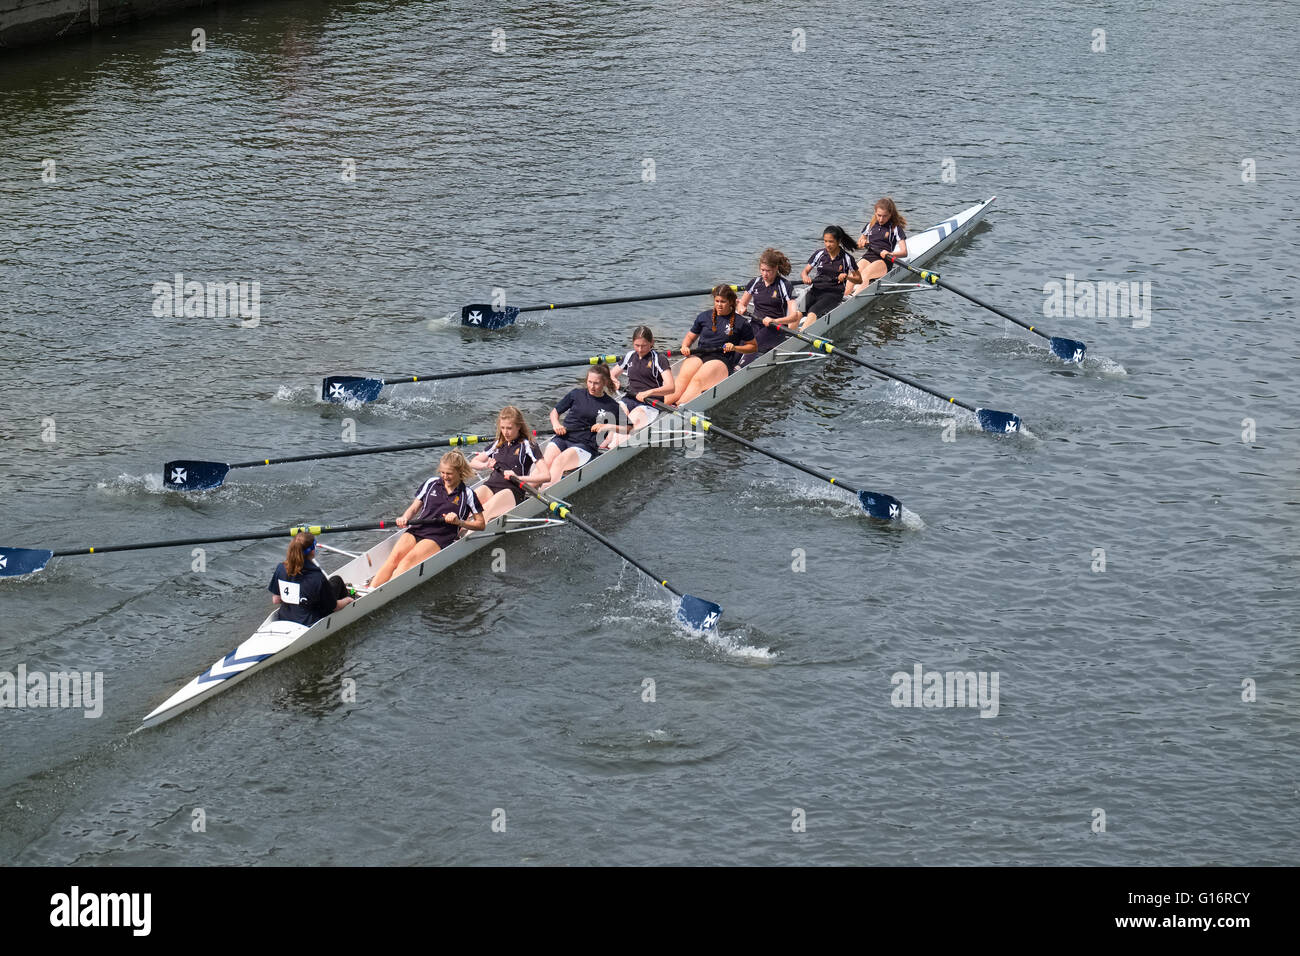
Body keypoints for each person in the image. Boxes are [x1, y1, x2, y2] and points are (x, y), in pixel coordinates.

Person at [368, 451, 486, 587]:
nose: (445, 477)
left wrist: (459, 522)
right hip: (419, 527)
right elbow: (413, 509)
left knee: (407, 561)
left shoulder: (468, 494)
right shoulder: (431, 483)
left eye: (449, 474)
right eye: (442, 472)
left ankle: (383, 592)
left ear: (460, 472)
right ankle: (370, 590)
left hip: (440, 536)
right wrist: (404, 517)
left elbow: (481, 524)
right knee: (394, 559)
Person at [665, 285, 757, 406]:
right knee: (682, 379)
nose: (719, 305)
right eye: (717, 301)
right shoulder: (704, 316)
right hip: (700, 353)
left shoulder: (741, 323)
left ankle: (678, 406)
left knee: (697, 381)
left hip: (721, 358)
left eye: (723, 302)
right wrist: (685, 346)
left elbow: (753, 347)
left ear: (731, 302)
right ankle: (662, 404)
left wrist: (735, 348)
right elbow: (690, 337)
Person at [541, 365, 630, 488]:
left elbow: (629, 428)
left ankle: (542, 495)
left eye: (596, 383)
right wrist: (556, 424)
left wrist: (607, 426)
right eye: (590, 382)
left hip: (586, 446)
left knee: (559, 462)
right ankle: (525, 493)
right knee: (545, 462)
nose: (592, 386)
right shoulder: (576, 394)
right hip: (564, 437)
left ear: (604, 383)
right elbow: (554, 412)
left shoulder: (611, 405)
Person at [468, 406, 548, 523]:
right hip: (491, 485)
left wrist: (519, 478)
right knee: (468, 504)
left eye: (509, 428)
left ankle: (464, 534)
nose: (505, 432)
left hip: (512, 490)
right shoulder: (497, 444)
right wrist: (486, 465)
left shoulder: (528, 446)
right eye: (502, 428)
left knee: (485, 510)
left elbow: (546, 476)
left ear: (519, 427)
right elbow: (473, 462)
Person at [268, 531, 354, 626]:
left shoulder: (281, 568)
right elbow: (335, 607)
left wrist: (297, 599)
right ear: (312, 550)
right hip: (308, 623)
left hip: (284, 618)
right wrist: (348, 600)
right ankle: (350, 596)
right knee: (337, 580)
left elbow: (276, 600)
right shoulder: (317, 577)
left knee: (332, 583)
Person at [608, 325, 675, 444]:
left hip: (650, 403)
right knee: (611, 418)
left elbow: (671, 387)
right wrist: (614, 380)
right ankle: (604, 445)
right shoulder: (629, 356)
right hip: (629, 398)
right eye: (637, 345)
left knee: (629, 425)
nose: (639, 349)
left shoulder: (659, 359)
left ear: (652, 343)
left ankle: (612, 448)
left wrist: (649, 392)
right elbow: (611, 375)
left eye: (643, 346)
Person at [735, 248, 800, 367]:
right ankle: (727, 366)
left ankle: (738, 370)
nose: (765, 274)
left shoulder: (784, 285)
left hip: (776, 328)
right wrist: (740, 308)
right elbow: (741, 304)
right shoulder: (755, 282)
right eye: (762, 270)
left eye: (768, 271)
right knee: (739, 339)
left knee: (754, 344)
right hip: (755, 323)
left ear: (776, 269)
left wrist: (774, 321)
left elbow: (794, 316)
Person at [798, 226, 862, 330]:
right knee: (798, 312)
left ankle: (800, 336)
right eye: (825, 241)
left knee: (812, 311)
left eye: (831, 241)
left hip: (834, 293)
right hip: (816, 289)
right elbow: (805, 272)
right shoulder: (819, 254)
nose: (828, 244)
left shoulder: (847, 258)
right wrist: (805, 277)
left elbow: (859, 279)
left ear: (838, 241)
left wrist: (847, 278)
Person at [852, 197, 908, 293]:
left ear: (890, 215)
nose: (881, 219)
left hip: (884, 260)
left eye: (885, 216)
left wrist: (890, 253)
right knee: (854, 273)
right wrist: (861, 243)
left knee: (865, 274)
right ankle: (842, 297)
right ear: (875, 212)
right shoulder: (870, 225)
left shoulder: (895, 228)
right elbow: (860, 243)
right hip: (869, 256)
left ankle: (854, 299)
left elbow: (904, 252)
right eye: (879, 215)